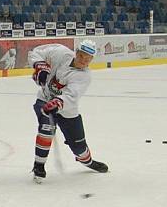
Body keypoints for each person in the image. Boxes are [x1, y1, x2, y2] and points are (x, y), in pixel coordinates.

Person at [28, 39, 108, 182]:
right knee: (46, 128)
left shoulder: (84, 76)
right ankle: (38, 165)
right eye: (82, 56)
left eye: (88, 59)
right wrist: (40, 67)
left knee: (78, 147)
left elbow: (71, 96)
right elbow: (35, 52)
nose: (84, 61)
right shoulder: (60, 52)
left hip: (67, 110)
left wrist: (58, 102)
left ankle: (88, 161)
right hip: (44, 100)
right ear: (76, 52)